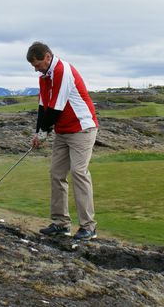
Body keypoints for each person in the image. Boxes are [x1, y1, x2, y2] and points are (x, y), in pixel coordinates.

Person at [26, 41, 99, 240]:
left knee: (78, 172)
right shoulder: (44, 77)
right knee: (56, 173)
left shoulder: (62, 71)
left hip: (82, 129)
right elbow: (43, 108)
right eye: (33, 66)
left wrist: (42, 134)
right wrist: (38, 132)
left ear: (47, 57)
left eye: (37, 64)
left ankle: (88, 226)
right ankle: (61, 223)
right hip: (63, 131)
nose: (36, 69)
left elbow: (56, 108)